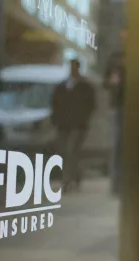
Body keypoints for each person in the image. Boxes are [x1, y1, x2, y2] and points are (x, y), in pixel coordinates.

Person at [51, 59, 96, 192]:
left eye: (74, 67)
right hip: (63, 125)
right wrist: (56, 120)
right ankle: (74, 176)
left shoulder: (85, 87)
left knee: (71, 151)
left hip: (78, 125)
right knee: (64, 151)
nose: (72, 70)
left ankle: (67, 181)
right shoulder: (62, 86)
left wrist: (83, 118)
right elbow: (55, 104)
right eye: (71, 67)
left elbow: (91, 105)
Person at [103, 51, 125, 196]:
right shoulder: (115, 60)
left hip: (132, 106)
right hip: (119, 106)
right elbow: (105, 83)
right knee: (117, 146)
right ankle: (116, 185)